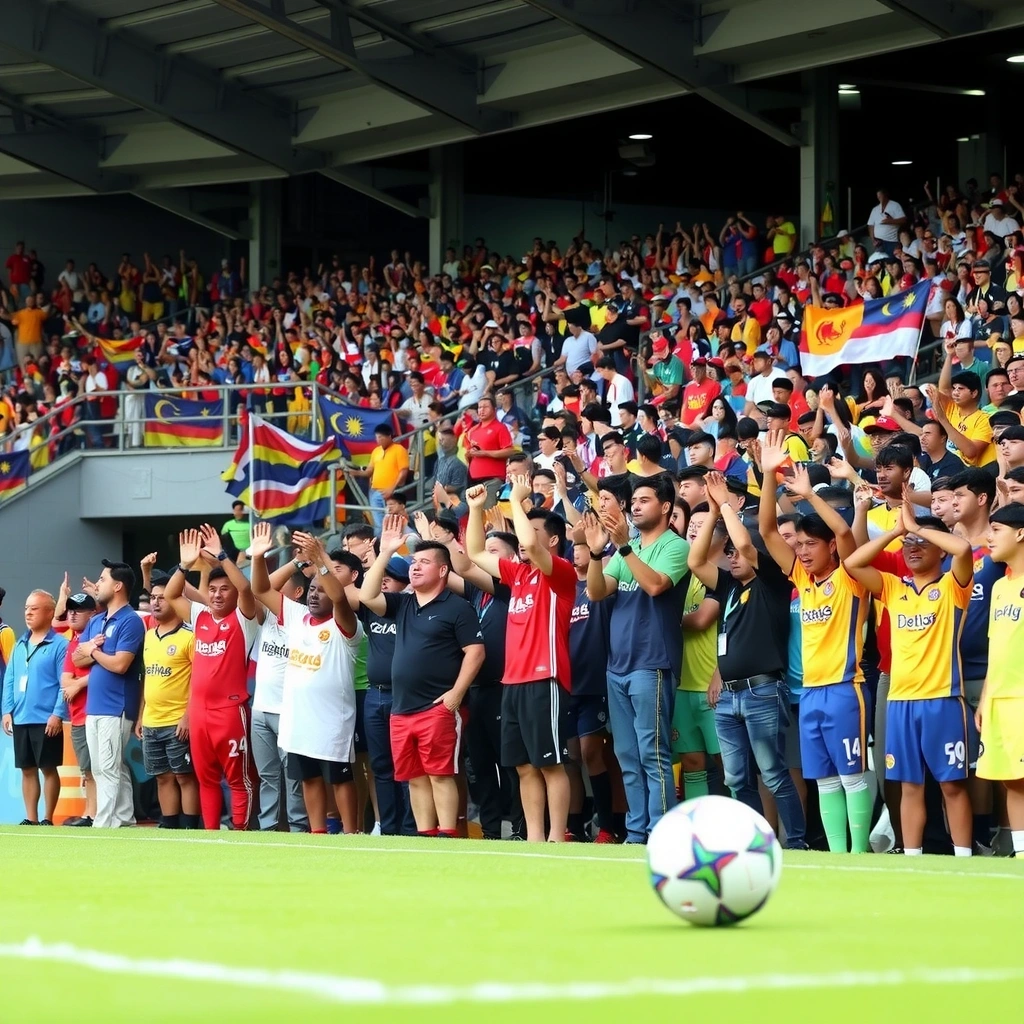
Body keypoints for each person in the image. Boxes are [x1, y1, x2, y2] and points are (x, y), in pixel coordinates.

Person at [759, 432, 872, 854]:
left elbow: (844, 532)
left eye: (811, 544)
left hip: (846, 690)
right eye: (800, 545)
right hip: (807, 695)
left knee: (852, 775)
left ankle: (861, 856)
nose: (802, 552)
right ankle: (841, 858)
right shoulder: (802, 580)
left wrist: (809, 494)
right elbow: (769, 529)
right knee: (823, 779)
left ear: (828, 548)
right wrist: (769, 476)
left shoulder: (849, 575)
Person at [844, 493, 975, 857]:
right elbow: (853, 564)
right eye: (909, 544)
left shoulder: (952, 586)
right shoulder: (893, 586)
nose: (913, 548)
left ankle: (963, 860)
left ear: (939, 550)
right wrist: (895, 533)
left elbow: (963, 551)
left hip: (942, 701)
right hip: (900, 701)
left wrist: (918, 527)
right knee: (909, 784)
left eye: (922, 543)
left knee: (952, 786)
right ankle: (913, 858)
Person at [687, 474, 807, 848]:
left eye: (737, 554)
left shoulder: (772, 582)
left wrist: (725, 503)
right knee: (737, 779)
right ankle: (758, 844)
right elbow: (695, 559)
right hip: (728, 697)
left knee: (773, 775)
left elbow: (744, 542)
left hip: (763, 691)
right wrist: (709, 511)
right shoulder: (727, 586)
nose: (731, 558)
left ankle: (798, 842)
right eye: (729, 555)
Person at [358, 517, 485, 837]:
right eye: (413, 562)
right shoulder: (403, 603)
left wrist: (456, 694)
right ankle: (426, 836)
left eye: (424, 562)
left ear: (443, 570)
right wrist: (386, 552)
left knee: (440, 774)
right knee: (414, 776)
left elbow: (476, 652)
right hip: (401, 709)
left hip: (437, 706)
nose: (415, 567)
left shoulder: (457, 607)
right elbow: (367, 595)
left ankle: (447, 836)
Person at [465, 478, 575, 844]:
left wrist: (515, 500)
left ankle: (558, 838)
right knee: (524, 766)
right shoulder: (518, 574)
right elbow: (476, 555)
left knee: (550, 764)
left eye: (535, 527)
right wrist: (477, 509)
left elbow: (526, 541)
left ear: (553, 540)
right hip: (511, 682)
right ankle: (535, 838)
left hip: (546, 678)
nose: (527, 535)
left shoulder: (559, 572)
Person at [582, 473, 690, 843]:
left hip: (652, 663)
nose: (635, 506)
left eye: (644, 500)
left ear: (665, 507)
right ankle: (636, 834)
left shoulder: (675, 546)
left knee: (653, 754)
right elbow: (596, 593)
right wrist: (597, 552)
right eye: (635, 501)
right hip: (618, 667)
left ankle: (660, 833)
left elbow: (657, 586)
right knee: (628, 756)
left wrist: (623, 548)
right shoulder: (626, 551)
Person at [250, 525, 364, 835]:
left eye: (322, 589)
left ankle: (351, 834)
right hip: (297, 719)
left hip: (332, 721)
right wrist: (259, 558)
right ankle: (317, 834)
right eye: (313, 589)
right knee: (309, 778)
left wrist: (321, 560)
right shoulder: (298, 616)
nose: (316, 594)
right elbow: (260, 590)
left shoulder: (346, 624)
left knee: (339, 779)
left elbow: (339, 597)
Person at [163, 525, 260, 831]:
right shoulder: (201, 616)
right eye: (213, 590)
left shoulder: (244, 619)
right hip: (200, 715)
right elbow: (171, 593)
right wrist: (185, 565)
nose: (217, 595)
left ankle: (242, 834)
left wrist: (220, 556)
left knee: (238, 779)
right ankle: (211, 836)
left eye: (224, 589)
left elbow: (245, 588)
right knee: (206, 780)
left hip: (230, 712)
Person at [76, 562, 146, 829]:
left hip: (116, 705)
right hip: (95, 705)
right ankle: (125, 820)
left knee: (106, 767)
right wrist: (92, 650)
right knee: (108, 766)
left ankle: (104, 824)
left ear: (118, 586)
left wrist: (92, 651)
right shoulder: (96, 620)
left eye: (103, 579)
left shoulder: (130, 620)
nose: (98, 583)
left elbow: (120, 665)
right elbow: (75, 657)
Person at [567, 522, 622, 842]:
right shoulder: (564, 588)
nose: (577, 551)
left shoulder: (604, 588)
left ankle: (608, 826)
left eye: (584, 545)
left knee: (592, 753)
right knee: (572, 757)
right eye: (573, 547)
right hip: (567, 684)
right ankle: (574, 825)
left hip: (596, 683)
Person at [976, 501, 1024, 858]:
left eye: (996, 531)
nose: (988, 538)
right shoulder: (1000, 587)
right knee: (1012, 780)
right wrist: (985, 699)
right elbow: (997, 647)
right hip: (1000, 700)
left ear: (1020, 533)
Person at [250, 561, 310, 833]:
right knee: (267, 777)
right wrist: (293, 563)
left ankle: (298, 829)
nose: (274, 588)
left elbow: (264, 588)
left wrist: (298, 564)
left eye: (283, 584)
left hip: (290, 712)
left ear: (297, 592)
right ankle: (268, 829)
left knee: (294, 777)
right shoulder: (266, 616)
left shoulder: (302, 616)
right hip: (260, 709)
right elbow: (259, 588)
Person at [1, 590, 69, 825]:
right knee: (27, 769)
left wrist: (58, 714)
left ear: (50, 612)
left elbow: (65, 682)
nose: (28, 613)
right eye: (26, 608)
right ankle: (31, 817)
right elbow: (9, 679)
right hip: (21, 717)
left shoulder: (60, 644)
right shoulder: (20, 644)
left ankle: (48, 818)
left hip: (46, 718)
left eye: (35, 608)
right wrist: (7, 711)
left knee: (48, 768)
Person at [137, 581, 199, 830]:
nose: (155, 602)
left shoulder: (189, 636)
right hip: (152, 721)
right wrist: (141, 715)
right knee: (162, 777)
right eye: (153, 597)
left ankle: (190, 827)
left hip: (177, 721)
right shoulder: (149, 636)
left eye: (162, 597)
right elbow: (147, 678)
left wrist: (187, 716)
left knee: (184, 776)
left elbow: (197, 681)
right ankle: (169, 824)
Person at [59, 592, 99, 827]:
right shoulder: (74, 640)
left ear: (93, 614)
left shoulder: (97, 637)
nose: (72, 614)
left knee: (96, 770)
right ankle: (90, 812)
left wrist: (79, 684)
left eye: (79, 610)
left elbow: (107, 670)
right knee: (88, 769)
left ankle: (93, 815)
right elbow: (65, 679)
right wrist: (75, 684)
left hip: (93, 712)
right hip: (77, 715)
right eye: (70, 609)